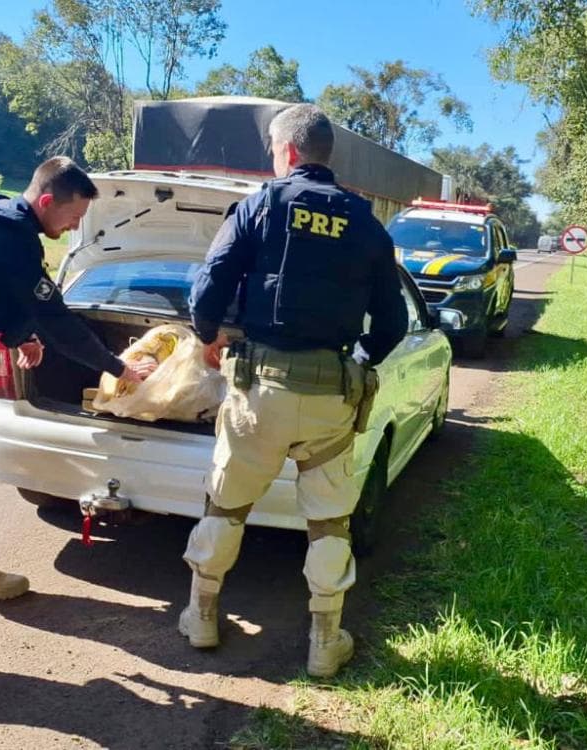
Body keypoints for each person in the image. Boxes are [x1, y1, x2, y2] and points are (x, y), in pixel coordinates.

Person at [179, 104, 408, 677]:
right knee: (330, 521)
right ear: (325, 155)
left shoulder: (258, 206)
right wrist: (357, 362)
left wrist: (209, 337)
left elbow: (208, 289)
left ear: (284, 153)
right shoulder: (365, 222)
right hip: (332, 396)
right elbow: (393, 323)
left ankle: (202, 617)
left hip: (260, 391)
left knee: (226, 504)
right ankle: (324, 644)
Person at [0, 156, 152, 602]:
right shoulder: (14, 239)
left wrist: (17, 333)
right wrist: (120, 367)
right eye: (74, 216)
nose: (76, 227)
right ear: (48, 200)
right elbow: (58, 321)